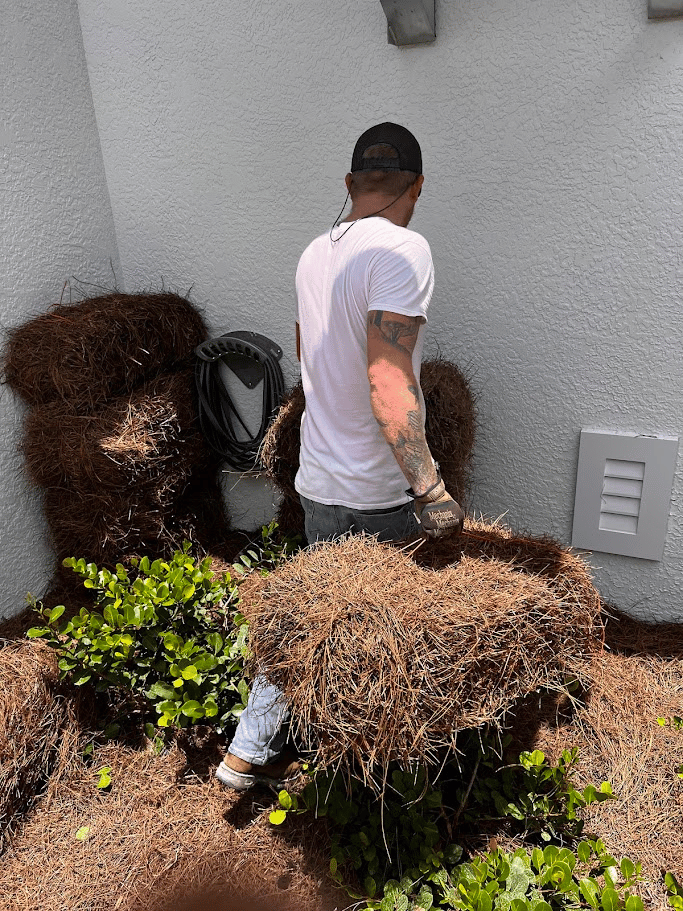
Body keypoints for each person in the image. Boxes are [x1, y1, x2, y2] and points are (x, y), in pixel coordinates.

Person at [216, 122, 464, 792]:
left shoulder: (314, 253)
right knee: (383, 643)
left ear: (350, 184)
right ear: (417, 186)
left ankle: (249, 746)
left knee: (312, 613)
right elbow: (387, 378)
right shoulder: (403, 250)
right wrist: (429, 487)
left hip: (319, 480)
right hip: (379, 492)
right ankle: (371, 781)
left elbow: (309, 357)